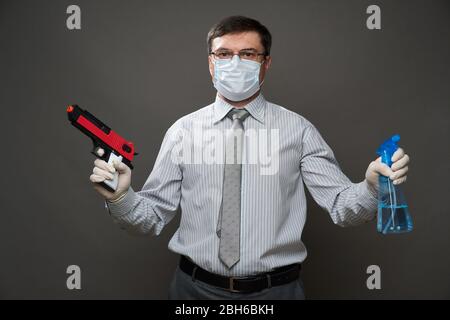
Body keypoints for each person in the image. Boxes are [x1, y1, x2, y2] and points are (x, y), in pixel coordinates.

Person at [89, 16, 410, 299]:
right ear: (211, 62)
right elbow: (150, 218)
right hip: (194, 291)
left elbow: (343, 208)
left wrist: (371, 186)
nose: (235, 62)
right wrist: (121, 197)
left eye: (248, 54)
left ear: (266, 63)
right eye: (224, 54)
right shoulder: (182, 131)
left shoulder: (298, 130)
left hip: (278, 292)